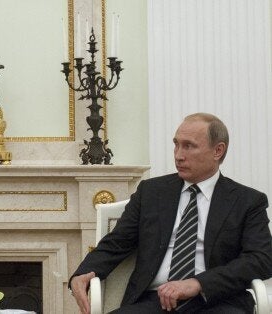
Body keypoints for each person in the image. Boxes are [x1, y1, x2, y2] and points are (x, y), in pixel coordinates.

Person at [70, 113, 272, 313]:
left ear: (218, 151)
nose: (178, 154)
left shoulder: (247, 201)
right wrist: (83, 272)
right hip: (153, 301)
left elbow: (261, 259)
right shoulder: (151, 192)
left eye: (189, 146)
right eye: (176, 144)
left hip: (217, 301)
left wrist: (198, 283)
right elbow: (117, 242)